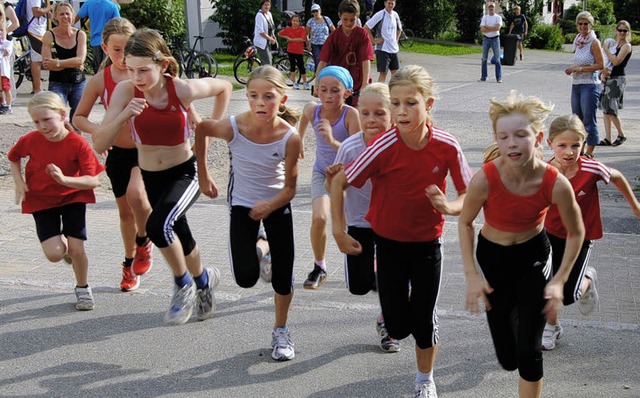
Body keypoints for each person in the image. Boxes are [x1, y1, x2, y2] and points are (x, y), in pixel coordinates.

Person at [332, 65, 472, 397]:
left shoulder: (447, 146)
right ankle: (401, 307)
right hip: (389, 244)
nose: (401, 111)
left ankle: (425, 379)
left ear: (429, 104)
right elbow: (340, 181)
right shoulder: (384, 146)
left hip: (427, 244)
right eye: (395, 103)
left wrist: (448, 207)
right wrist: (338, 230)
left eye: (410, 103)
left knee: (423, 322)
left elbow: (469, 195)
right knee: (396, 326)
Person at [94, 28, 233, 325]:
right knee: (180, 235)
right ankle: (204, 281)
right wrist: (122, 116)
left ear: (163, 65)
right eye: (131, 70)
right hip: (150, 175)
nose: (137, 78)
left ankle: (183, 284)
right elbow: (99, 143)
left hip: (184, 172)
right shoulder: (126, 91)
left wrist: (210, 132)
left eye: (144, 70)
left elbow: (225, 88)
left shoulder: (181, 89)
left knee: (157, 227)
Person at [459, 92, 585, 398]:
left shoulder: (555, 182)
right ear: (497, 140)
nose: (511, 143)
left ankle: (529, 314)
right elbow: (465, 223)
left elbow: (576, 232)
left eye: (520, 135)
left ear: (538, 137)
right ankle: (516, 313)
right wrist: (472, 275)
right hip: (493, 259)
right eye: (503, 137)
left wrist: (559, 280)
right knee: (508, 358)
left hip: (533, 258)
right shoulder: (485, 179)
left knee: (529, 353)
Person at [195, 65, 302, 361]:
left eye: (268, 97)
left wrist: (270, 205)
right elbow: (202, 128)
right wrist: (203, 176)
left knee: (283, 277)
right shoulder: (234, 126)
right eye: (253, 95)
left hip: (278, 204)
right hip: (242, 204)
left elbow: (291, 188)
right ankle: (261, 247)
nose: (259, 102)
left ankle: (281, 331)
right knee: (245, 278)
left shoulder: (290, 137)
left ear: (282, 99)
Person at [542, 114, 640, 350]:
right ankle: (551, 327)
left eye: (576, 145)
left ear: (583, 144)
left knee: (568, 295)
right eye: (562, 145)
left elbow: (616, 177)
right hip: (548, 234)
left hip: (581, 237)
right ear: (550, 144)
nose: (569, 152)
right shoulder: (543, 170)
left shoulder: (590, 168)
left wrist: (636, 207)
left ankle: (588, 278)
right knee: (548, 285)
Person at [73, 18, 154, 292]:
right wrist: (100, 131)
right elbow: (78, 118)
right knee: (124, 214)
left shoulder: (143, 73)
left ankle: (144, 241)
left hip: (146, 150)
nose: (122, 56)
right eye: (116, 50)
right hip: (118, 152)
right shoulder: (100, 80)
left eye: (126, 49)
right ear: (105, 48)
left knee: (138, 195)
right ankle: (129, 263)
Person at [8, 92, 105, 311]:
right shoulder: (30, 140)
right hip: (42, 199)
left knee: (78, 249)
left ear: (62, 115)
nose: (42, 126)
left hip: (73, 196)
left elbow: (93, 181)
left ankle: (83, 288)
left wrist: (64, 179)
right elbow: (13, 156)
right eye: (36, 122)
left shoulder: (77, 143)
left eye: (46, 120)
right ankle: (67, 251)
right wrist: (19, 181)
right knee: (54, 254)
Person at [325, 82, 400, 353]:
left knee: (389, 281)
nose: (371, 120)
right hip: (359, 222)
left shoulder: (400, 144)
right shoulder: (350, 147)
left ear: (392, 113)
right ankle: (386, 300)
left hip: (392, 226)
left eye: (379, 113)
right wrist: (339, 229)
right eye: (365, 113)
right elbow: (336, 188)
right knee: (359, 286)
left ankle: (388, 323)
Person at [298, 65, 360, 289]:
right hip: (321, 172)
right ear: (316, 90)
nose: (328, 95)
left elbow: (358, 150)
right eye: (323, 89)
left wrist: (333, 141)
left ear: (347, 93)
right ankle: (320, 266)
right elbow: (304, 118)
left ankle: (365, 266)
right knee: (320, 219)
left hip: (348, 177)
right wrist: (300, 141)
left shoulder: (350, 115)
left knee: (348, 226)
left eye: (335, 90)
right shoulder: (313, 110)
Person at [315, 0, 374, 107]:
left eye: (352, 20)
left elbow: (366, 60)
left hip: (358, 82)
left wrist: (365, 84)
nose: (348, 23)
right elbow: (323, 61)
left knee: (358, 114)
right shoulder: (334, 36)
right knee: (337, 114)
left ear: (357, 17)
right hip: (339, 83)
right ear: (339, 16)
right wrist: (317, 83)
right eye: (345, 19)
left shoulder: (362, 35)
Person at [564, 11, 604, 158]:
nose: (583, 26)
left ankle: (590, 152)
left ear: (591, 25)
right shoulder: (578, 40)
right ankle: (580, 149)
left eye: (585, 23)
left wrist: (581, 68)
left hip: (590, 84)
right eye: (580, 24)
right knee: (577, 119)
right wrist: (572, 69)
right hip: (577, 83)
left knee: (588, 119)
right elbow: (578, 62)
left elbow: (601, 64)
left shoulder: (594, 42)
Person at [42, 2, 87, 125]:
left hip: (78, 82)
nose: (65, 17)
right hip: (57, 82)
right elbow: (47, 64)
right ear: (55, 16)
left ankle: (78, 142)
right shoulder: (49, 35)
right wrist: (73, 63)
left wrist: (57, 62)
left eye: (67, 13)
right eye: (61, 14)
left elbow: (80, 60)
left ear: (72, 15)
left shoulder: (80, 34)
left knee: (78, 118)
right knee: (56, 116)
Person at [598, 20, 632, 147]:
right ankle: (608, 137)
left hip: (617, 79)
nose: (622, 33)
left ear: (628, 32)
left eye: (625, 30)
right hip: (609, 78)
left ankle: (621, 134)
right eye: (620, 30)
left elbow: (616, 61)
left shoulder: (626, 46)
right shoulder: (615, 44)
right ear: (616, 31)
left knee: (611, 109)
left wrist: (606, 50)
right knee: (605, 108)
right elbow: (607, 62)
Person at [76, 0, 120, 74]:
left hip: (95, 41)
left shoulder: (89, 3)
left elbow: (76, 18)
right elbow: (118, 24)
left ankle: (99, 83)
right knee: (108, 68)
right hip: (108, 41)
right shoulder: (112, 6)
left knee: (97, 69)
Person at [364, 0, 402, 83]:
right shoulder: (380, 14)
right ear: (385, 3)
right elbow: (366, 27)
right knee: (383, 74)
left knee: (395, 74)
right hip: (383, 49)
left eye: (392, 3)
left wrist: (396, 40)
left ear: (395, 3)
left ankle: (393, 93)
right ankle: (379, 93)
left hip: (393, 49)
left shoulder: (395, 15)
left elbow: (399, 29)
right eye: (389, 3)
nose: (390, 5)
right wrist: (373, 40)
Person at [26, 0, 53, 94]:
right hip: (35, 31)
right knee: (37, 60)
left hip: (37, 30)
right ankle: (37, 88)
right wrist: (49, 8)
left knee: (35, 58)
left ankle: (36, 86)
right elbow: (36, 12)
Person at [278, 14, 310, 90]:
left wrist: (291, 40)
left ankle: (305, 82)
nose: (295, 22)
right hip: (291, 50)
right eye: (294, 21)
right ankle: (294, 83)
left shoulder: (302, 29)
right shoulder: (288, 29)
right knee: (292, 66)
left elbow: (302, 39)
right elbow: (279, 34)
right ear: (291, 21)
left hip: (299, 51)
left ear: (299, 22)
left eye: (297, 21)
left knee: (301, 66)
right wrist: (286, 37)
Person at [305, 3, 334, 85]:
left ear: (320, 11)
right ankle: (320, 81)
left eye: (316, 11)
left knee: (328, 63)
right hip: (315, 44)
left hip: (326, 44)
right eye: (313, 12)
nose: (315, 13)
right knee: (318, 63)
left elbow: (333, 31)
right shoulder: (310, 21)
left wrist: (332, 42)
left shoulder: (326, 19)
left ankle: (328, 80)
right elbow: (306, 34)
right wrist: (308, 45)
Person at [1, 1, 18, 113]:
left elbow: (16, 24)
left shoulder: (7, 6)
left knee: (6, 80)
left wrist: (4, 32)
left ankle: (8, 104)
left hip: (4, 45)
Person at [479, 2, 503, 83]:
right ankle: (483, 77)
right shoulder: (485, 17)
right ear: (488, 8)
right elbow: (482, 29)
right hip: (486, 39)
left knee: (497, 59)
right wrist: (491, 28)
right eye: (490, 7)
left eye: (492, 7)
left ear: (494, 8)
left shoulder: (498, 17)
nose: (491, 8)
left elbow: (497, 28)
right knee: (484, 58)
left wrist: (487, 27)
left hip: (495, 39)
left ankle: (499, 77)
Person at [253, 0, 277, 67]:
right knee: (267, 62)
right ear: (262, 6)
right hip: (261, 42)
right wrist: (270, 39)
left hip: (268, 41)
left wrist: (274, 39)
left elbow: (272, 27)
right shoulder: (259, 15)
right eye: (265, 5)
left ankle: (263, 75)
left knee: (269, 61)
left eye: (268, 5)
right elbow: (261, 31)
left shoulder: (269, 14)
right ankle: (264, 76)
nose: (267, 6)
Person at [0, 13, 13, 115]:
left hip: (3, 69)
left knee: (5, 87)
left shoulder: (7, 41)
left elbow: (6, 52)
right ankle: (2, 103)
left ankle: (8, 105)